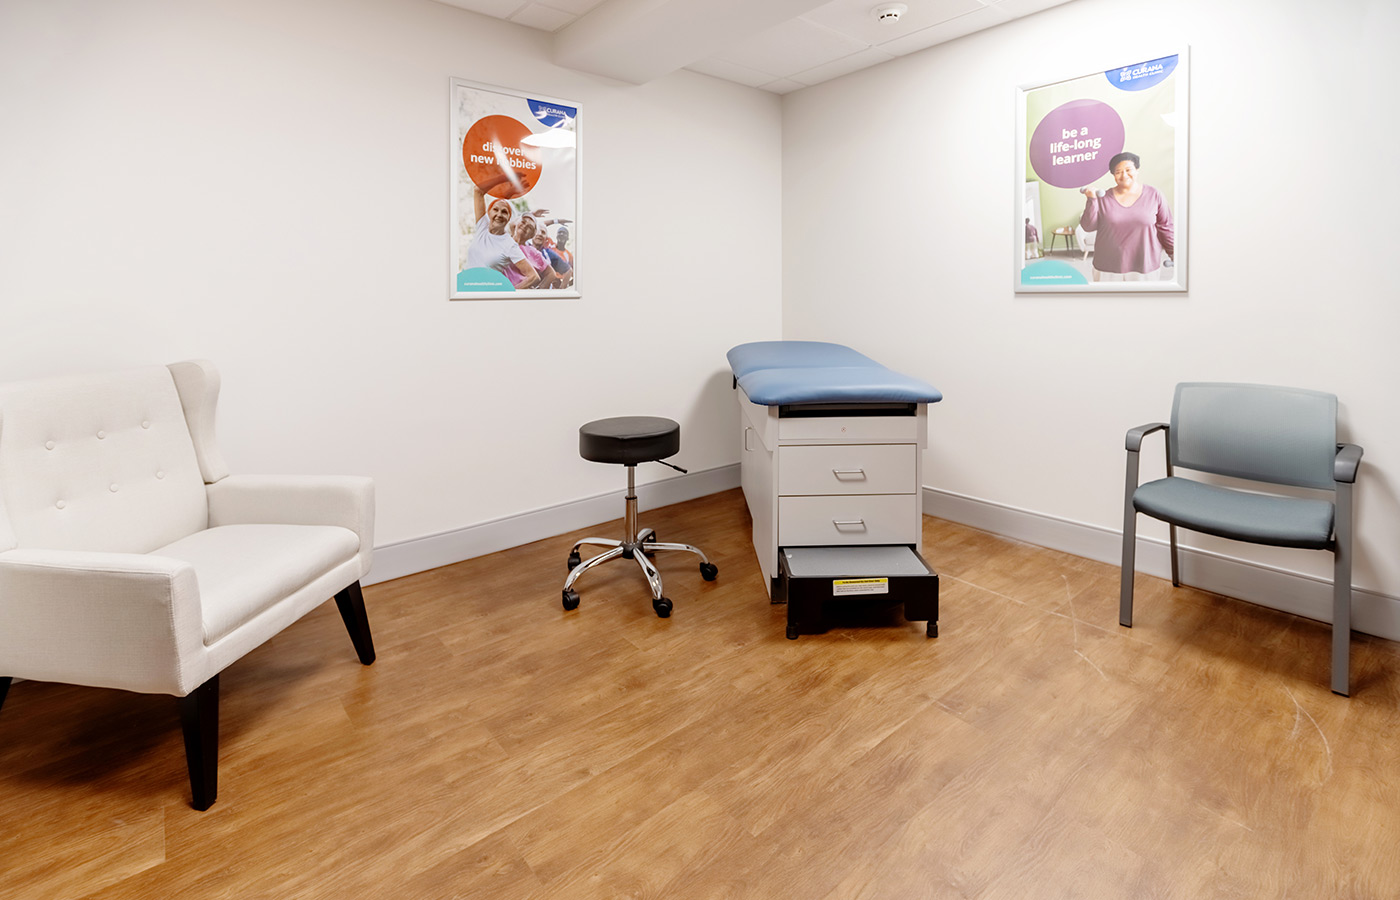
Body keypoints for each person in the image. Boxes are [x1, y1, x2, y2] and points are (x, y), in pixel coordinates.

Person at [1079, 152, 1174, 282]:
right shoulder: (1102, 198)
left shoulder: (1154, 195)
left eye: (1128, 170)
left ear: (1137, 170)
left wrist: (1173, 253)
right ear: (1113, 175)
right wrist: (1091, 199)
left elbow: (1166, 226)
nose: (1124, 175)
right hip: (1107, 267)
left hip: (1144, 265)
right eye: (1118, 172)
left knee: (1143, 302)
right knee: (1107, 302)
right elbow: (1088, 226)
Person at [465, 184, 539, 289]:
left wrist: (508, 292)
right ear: (489, 213)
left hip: (486, 294)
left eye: (504, 212)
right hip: (466, 287)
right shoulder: (482, 226)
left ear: (509, 218)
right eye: (496, 210)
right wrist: (504, 178)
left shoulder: (509, 245)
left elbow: (533, 276)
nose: (499, 214)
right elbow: (478, 190)